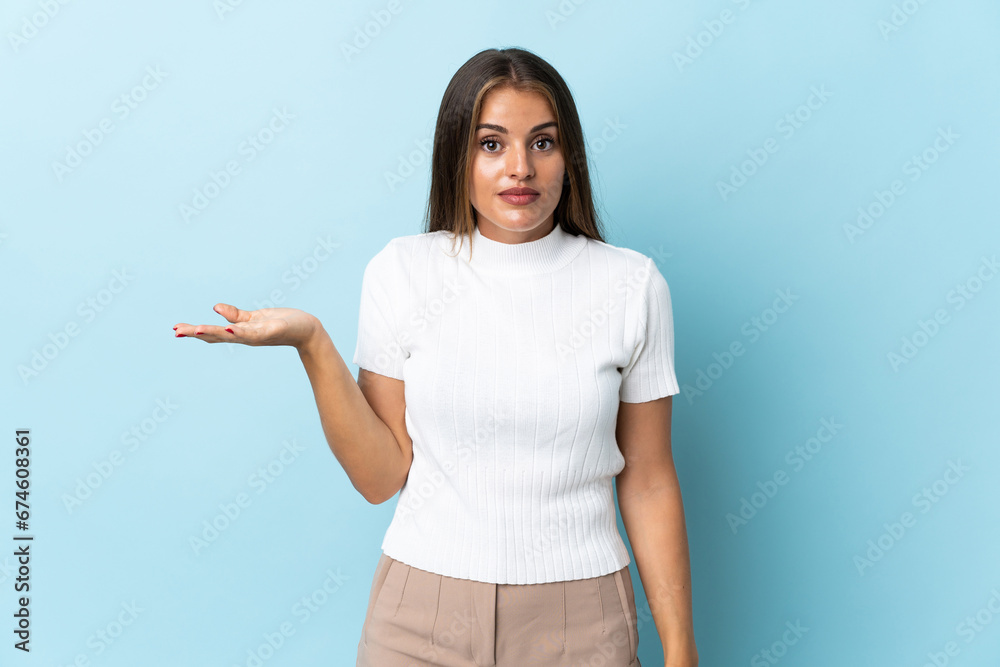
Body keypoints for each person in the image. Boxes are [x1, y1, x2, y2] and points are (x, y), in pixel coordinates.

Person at [172, 46, 697, 667]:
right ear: (458, 155)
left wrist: (680, 649)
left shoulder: (631, 286)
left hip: (580, 620)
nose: (520, 168)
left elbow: (649, 480)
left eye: (544, 143)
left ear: (569, 158)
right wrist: (312, 342)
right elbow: (381, 477)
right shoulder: (402, 272)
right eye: (492, 144)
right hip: (419, 614)